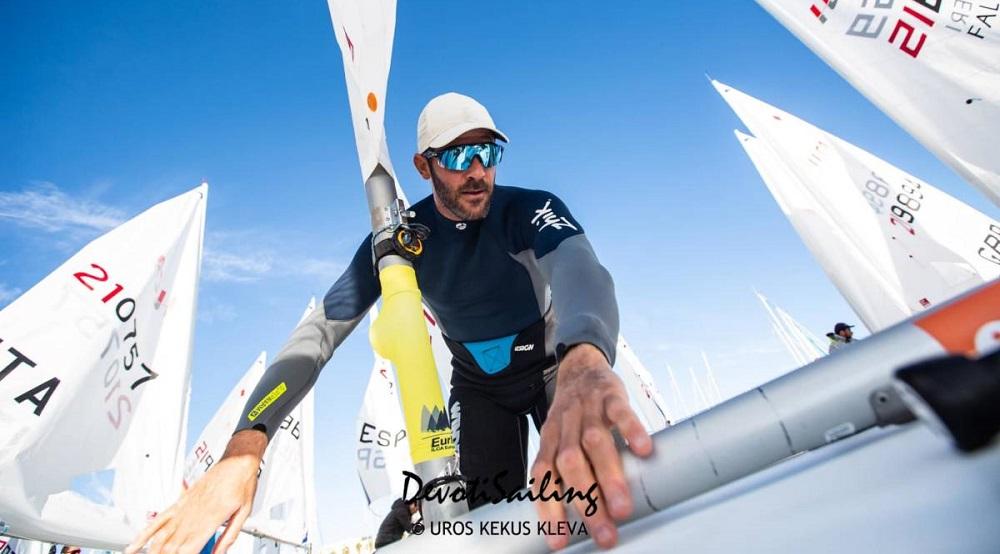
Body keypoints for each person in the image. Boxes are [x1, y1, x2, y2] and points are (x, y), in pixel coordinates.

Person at [127, 93, 651, 553]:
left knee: (615, 488)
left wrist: (585, 358)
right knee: (491, 528)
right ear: (424, 167)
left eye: (488, 153)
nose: (477, 171)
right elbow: (320, 334)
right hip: (480, 390)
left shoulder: (527, 209)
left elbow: (581, 269)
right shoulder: (402, 242)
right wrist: (246, 446)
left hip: (559, 367)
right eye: (458, 156)